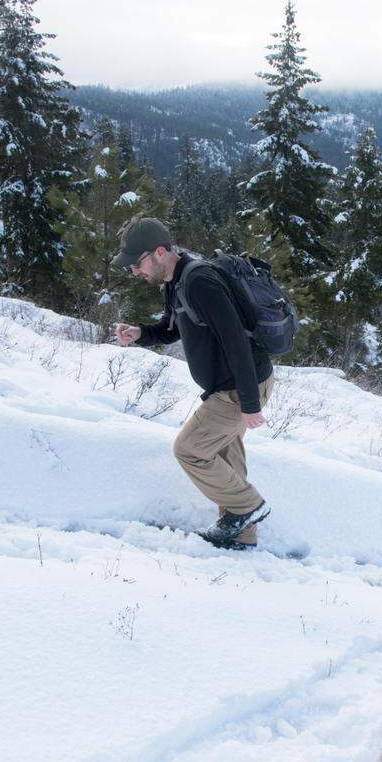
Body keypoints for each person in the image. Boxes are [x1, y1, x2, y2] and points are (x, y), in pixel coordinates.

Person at [111, 218, 274, 549]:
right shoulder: (177, 281)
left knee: (189, 450)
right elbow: (172, 328)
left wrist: (249, 404)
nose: (134, 272)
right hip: (229, 387)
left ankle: (249, 507)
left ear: (159, 252)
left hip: (239, 388)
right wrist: (141, 333)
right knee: (224, 454)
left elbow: (236, 342)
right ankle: (241, 536)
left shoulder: (199, 281)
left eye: (136, 263)